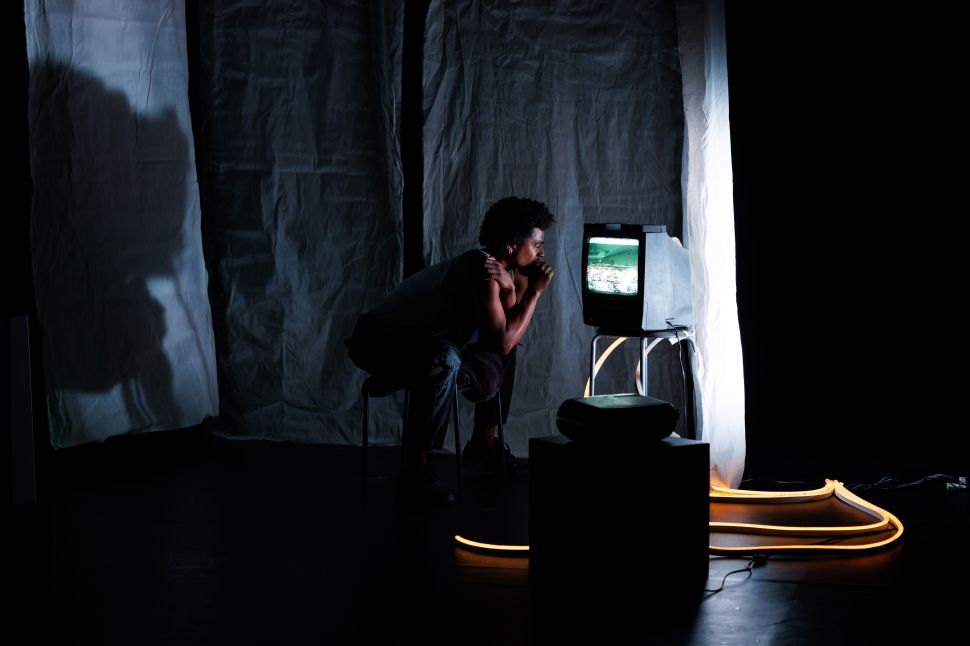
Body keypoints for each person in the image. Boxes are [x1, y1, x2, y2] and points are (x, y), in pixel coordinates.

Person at [346, 196, 555, 507]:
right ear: (512, 246)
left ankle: (483, 445)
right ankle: (414, 472)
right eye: (537, 244)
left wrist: (514, 288)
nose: (542, 253)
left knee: (477, 352)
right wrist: (534, 293)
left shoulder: (502, 273)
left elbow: (505, 336)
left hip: (420, 343)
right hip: (378, 340)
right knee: (444, 359)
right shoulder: (482, 268)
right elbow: (502, 338)